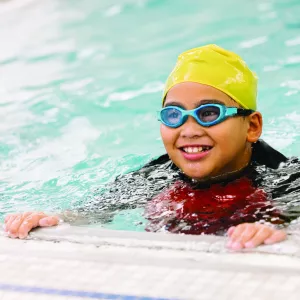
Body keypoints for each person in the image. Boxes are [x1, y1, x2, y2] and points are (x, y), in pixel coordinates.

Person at [4, 45, 299, 250]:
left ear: (252, 127)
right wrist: (48, 218)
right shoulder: (155, 176)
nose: (189, 130)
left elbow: (291, 216)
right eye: (174, 116)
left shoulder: (287, 178)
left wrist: (277, 230)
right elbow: (93, 211)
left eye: (209, 113)